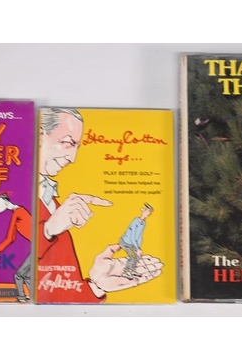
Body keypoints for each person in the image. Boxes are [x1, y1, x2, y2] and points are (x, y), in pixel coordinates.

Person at [37, 108, 163, 303]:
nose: (72, 158)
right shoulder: (3, 191)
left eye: (76, 147)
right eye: (67, 144)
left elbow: (55, 292)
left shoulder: (52, 202)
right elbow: (3, 272)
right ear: (39, 136)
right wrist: (47, 230)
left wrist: (96, 286)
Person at [0, 193, 32, 302]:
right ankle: (33, 297)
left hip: (39, 249)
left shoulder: (18, 212)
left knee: (19, 275)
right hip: (39, 248)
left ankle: (21, 298)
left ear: (5, 201)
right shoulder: (19, 211)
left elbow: (10, 238)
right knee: (26, 276)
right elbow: (12, 238)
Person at [119, 203, 154, 279]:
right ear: (143, 210)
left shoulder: (144, 223)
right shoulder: (135, 221)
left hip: (132, 243)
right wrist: (137, 248)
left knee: (137, 255)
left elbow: (139, 236)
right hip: (125, 242)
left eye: (149, 212)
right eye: (147, 211)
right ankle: (126, 272)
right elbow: (132, 237)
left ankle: (133, 270)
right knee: (132, 256)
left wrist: (139, 248)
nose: (148, 213)